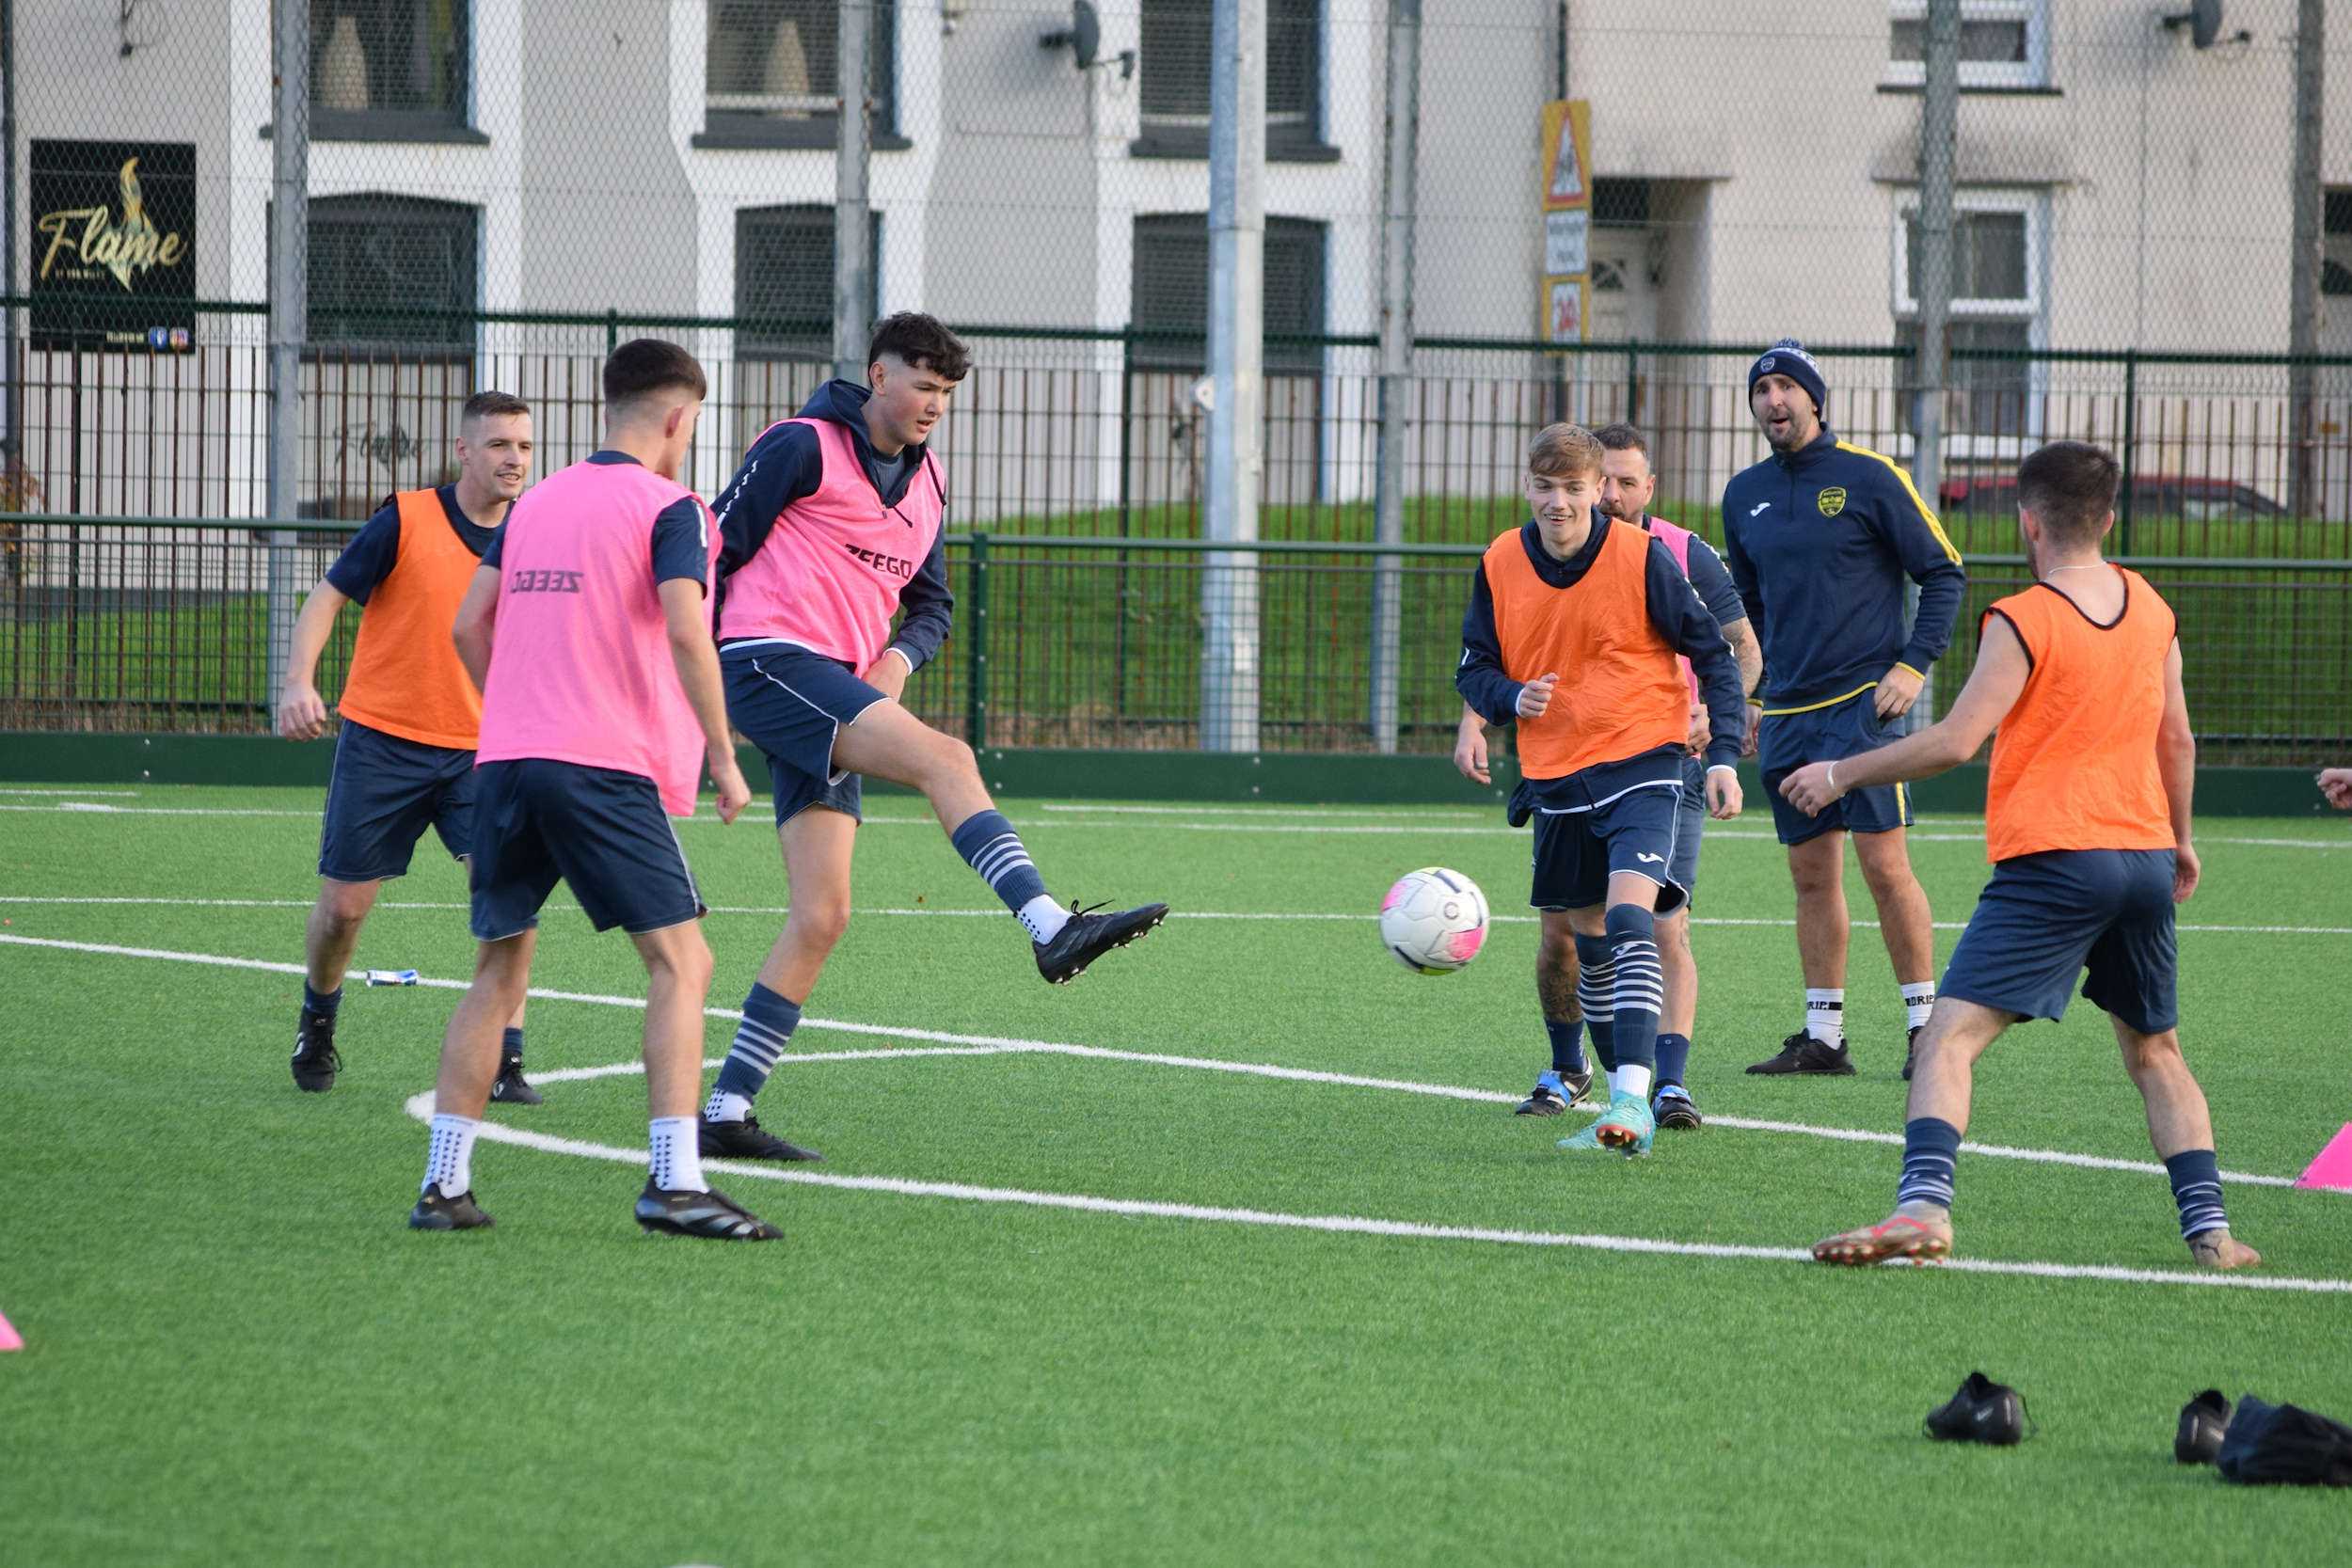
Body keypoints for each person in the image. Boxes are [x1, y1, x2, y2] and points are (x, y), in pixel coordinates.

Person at [696, 313, 1168, 1163]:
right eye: (922, 384)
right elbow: (709, 551)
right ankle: (1048, 925)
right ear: (877, 375)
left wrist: (896, 663)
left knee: (822, 914)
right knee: (948, 758)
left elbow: (933, 607)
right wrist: (683, 683)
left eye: (947, 392)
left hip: (838, 687)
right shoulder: (800, 445)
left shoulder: (927, 484)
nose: (934, 404)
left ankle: (727, 1108)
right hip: (766, 658)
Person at [1788, 440, 2258, 1271]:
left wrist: (1839, 771)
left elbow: (1954, 741)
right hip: (2145, 854)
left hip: (2056, 857)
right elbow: (2176, 736)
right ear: (2109, 519)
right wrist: (2180, 838)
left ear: (2027, 520)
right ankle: (2213, 1233)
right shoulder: (2153, 608)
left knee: (1948, 1038)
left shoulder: (2024, 617)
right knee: (2155, 1052)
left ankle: (1923, 1207)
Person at [408, 339, 780, 1241]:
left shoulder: (534, 503)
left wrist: (523, 707)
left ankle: (443, 1186)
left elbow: (468, 624)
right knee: (683, 965)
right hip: (599, 764)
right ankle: (673, 1182)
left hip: (505, 762)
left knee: (498, 971)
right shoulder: (674, 506)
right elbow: (691, 636)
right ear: (679, 418)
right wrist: (727, 759)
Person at [1456, 422, 1761, 1129]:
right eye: (1545, 486)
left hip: (1645, 766)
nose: (1558, 502)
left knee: (1635, 919)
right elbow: (1474, 667)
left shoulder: (1645, 556)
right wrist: (1508, 699)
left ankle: (1637, 1099)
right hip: (1557, 777)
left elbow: (1718, 656)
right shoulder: (1501, 560)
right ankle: (1591, 1076)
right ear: (1525, 486)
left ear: (1601, 492)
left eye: (1573, 488)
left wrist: (1720, 759)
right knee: (1583, 941)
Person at [277, 390, 538, 1101]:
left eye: (523, 446)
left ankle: (506, 1057)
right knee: (342, 912)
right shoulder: (407, 517)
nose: (514, 459)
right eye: (498, 445)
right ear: (463, 451)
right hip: (383, 743)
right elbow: (325, 597)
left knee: (507, 899)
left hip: (484, 754)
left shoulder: (537, 531)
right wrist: (298, 681)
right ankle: (318, 1021)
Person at [1722, 340, 1966, 1080]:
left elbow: (1944, 571)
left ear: (1816, 400)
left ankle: (1927, 1029)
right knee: (1810, 875)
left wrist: (1913, 664)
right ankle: (1823, 1037)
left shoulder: (1870, 477)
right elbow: (1751, 609)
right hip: (1791, 714)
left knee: (1884, 866)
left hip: (1863, 707)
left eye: (1787, 387)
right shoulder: (1743, 494)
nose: (1773, 400)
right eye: (1761, 390)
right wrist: (1758, 698)